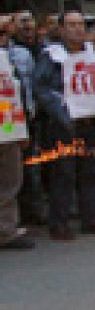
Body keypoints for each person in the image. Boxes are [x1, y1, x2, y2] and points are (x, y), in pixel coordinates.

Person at [33, 11, 95, 240]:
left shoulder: (90, 52)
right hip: (64, 123)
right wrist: (63, 111)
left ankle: (91, 218)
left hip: (89, 120)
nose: (77, 29)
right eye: (71, 25)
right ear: (61, 29)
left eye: (80, 24)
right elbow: (41, 88)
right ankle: (59, 223)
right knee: (64, 173)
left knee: (90, 172)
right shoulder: (52, 54)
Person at [0, 15, 33, 249]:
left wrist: (20, 131)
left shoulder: (6, 59)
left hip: (7, 128)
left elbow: (13, 97)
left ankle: (6, 230)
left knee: (11, 182)